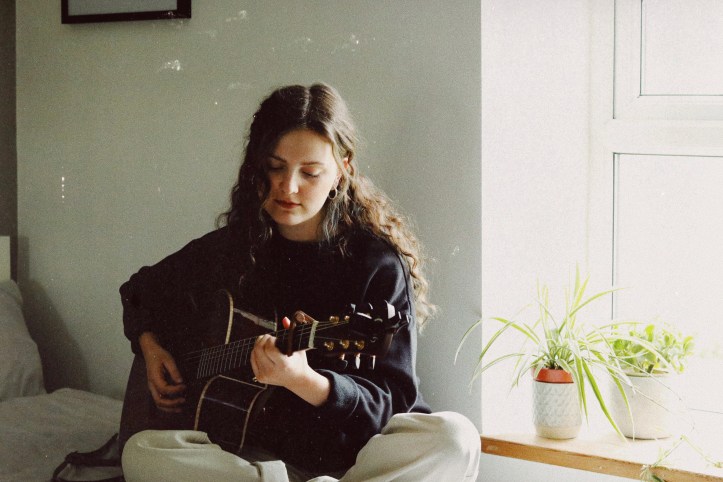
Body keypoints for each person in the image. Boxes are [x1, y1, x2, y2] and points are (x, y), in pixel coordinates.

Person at [118, 83, 480, 482]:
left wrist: (305, 381)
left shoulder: (376, 264)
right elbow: (140, 290)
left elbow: (392, 402)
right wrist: (151, 347)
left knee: (456, 438)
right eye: (275, 167)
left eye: (310, 173)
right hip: (252, 457)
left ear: (342, 170)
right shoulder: (232, 248)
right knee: (141, 453)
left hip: (353, 459)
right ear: (255, 166)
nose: (288, 187)